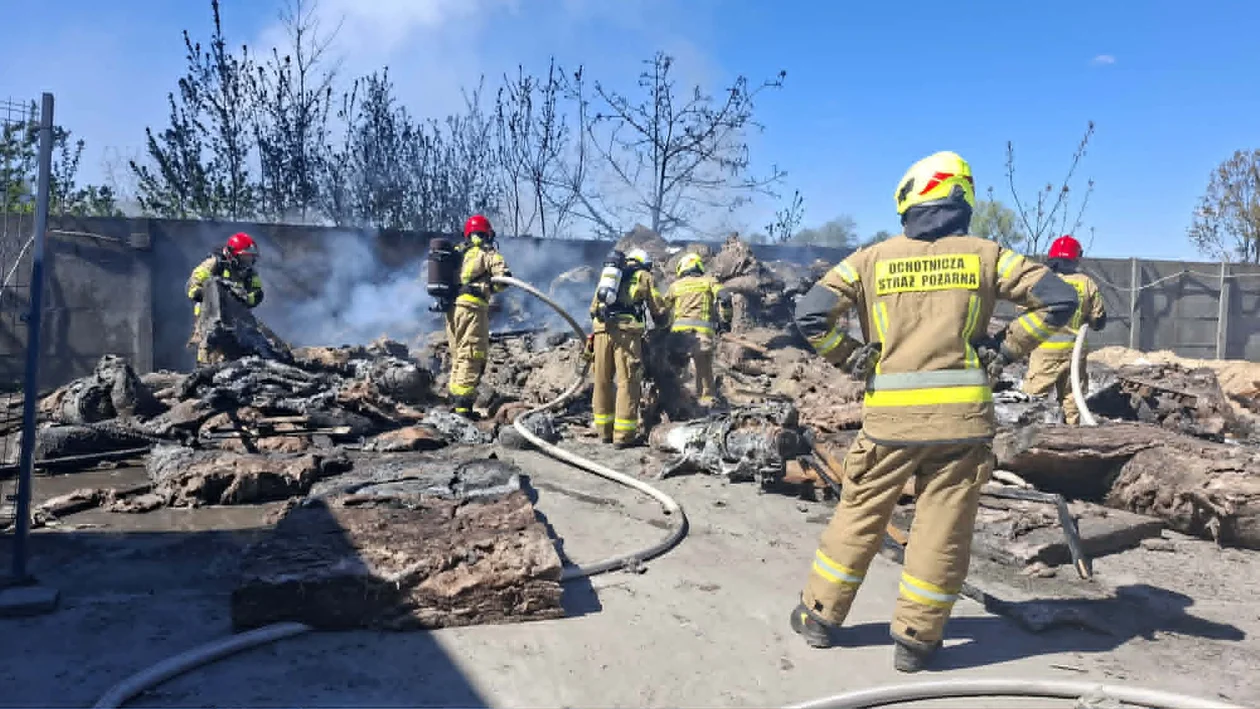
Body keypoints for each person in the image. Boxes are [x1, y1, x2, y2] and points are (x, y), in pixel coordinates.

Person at [787, 150, 1080, 672]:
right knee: (941, 531)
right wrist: (1007, 348)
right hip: (960, 424)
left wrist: (849, 355)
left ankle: (818, 618)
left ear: (910, 198)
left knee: (858, 519)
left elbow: (810, 315)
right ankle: (916, 642)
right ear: (960, 197)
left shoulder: (870, 259)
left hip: (888, 425)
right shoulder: (987, 255)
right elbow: (1058, 300)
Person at [1021, 235, 1107, 425]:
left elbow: (1021, 310)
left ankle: (1028, 439)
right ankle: (1072, 439)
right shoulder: (1086, 283)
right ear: (1076, 257)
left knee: (1033, 399)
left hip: (1044, 350)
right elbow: (1099, 321)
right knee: (1073, 401)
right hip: (1075, 353)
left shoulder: (1042, 280)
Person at [589, 248, 665, 448]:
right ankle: (623, 436)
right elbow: (657, 307)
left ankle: (604, 432)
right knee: (628, 383)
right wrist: (664, 325)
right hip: (627, 335)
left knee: (601, 381)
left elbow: (593, 308)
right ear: (645, 263)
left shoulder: (609, 274)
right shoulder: (644, 276)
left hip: (601, 332)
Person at [446, 214, 511, 419]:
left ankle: (455, 402)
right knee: (472, 354)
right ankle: (464, 409)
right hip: (473, 308)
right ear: (487, 233)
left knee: (459, 355)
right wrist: (491, 285)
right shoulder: (487, 252)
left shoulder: (457, 252)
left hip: (452, 309)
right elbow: (503, 279)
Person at [661, 252, 733, 407]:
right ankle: (707, 409)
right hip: (702, 339)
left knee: (677, 376)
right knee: (705, 377)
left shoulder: (675, 286)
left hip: (678, 340)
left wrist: (662, 330)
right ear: (699, 266)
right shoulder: (709, 281)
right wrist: (725, 321)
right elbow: (725, 297)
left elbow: (662, 310)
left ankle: (677, 405)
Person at [186, 232, 264, 365]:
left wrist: (244, 298)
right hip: (210, 316)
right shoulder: (214, 263)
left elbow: (257, 293)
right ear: (232, 254)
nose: (248, 262)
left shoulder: (250, 273)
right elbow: (193, 285)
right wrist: (209, 293)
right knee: (209, 347)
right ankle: (204, 371)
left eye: (250, 258)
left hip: (237, 317)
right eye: (244, 258)